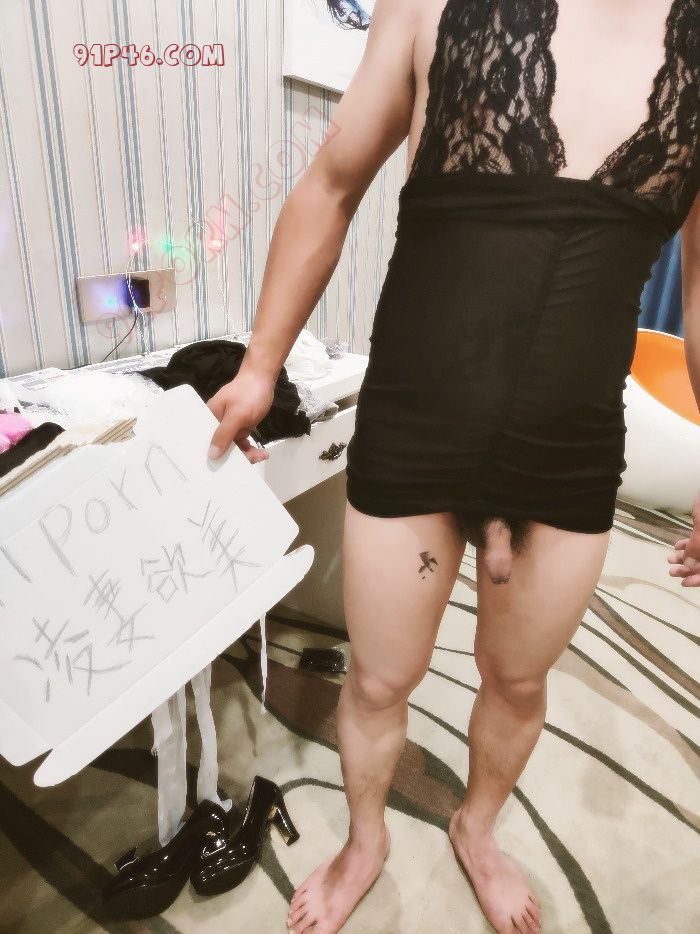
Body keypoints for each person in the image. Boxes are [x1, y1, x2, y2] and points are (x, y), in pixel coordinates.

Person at [207, 1, 700, 931]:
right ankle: (365, 842)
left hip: (571, 449)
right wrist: (259, 367)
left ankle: (477, 827)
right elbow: (330, 185)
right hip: (417, 425)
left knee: (519, 681)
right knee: (379, 679)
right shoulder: (425, 5)